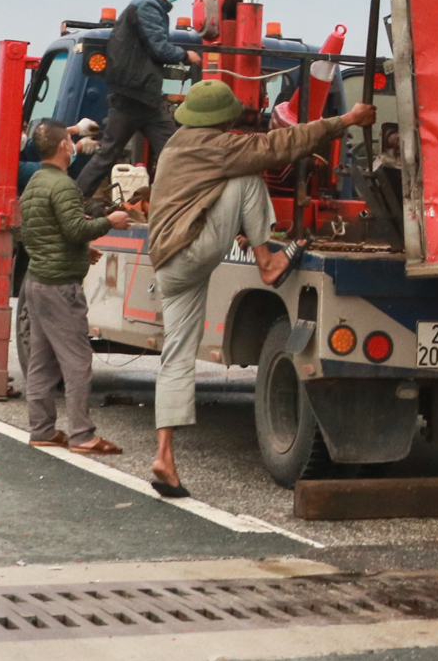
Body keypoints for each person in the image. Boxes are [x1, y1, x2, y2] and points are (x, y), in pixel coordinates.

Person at [146, 78, 375, 499]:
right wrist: (344, 120)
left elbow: (204, 194)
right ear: (222, 118)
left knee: (176, 358)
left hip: (168, 263)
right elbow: (276, 147)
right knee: (249, 178)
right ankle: (268, 262)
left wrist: (232, 224)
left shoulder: (176, 145)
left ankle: (164, 456)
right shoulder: (218, 147)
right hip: (192, 248)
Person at [19, 118, 130, 455]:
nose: (73, 144)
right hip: (61, 286)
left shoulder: (35, 182)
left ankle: (42, 429)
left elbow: (38, 232)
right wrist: (109, 222)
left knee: (41, 361)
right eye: (70, 140)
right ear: (64, 146)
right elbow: (73, 229)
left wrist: (82, 250)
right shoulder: (63, 185)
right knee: (77, 361)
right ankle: (83, 435)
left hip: (36, 280)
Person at [0, 118, 96, 377]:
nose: (23, 135)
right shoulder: (0, 162)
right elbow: (42, 164)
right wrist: (75, 149)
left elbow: (40, 144)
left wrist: (74, 131)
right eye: (19, 131)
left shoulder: (0, 155)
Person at [78, 0, 203, 198]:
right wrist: (186, 55)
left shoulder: (149, 5)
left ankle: (179, 201)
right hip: (134, 94)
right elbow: (159, 47)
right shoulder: (148, 6)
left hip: (144, 95)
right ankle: (73, 202)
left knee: (170, 151)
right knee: (114, 154)